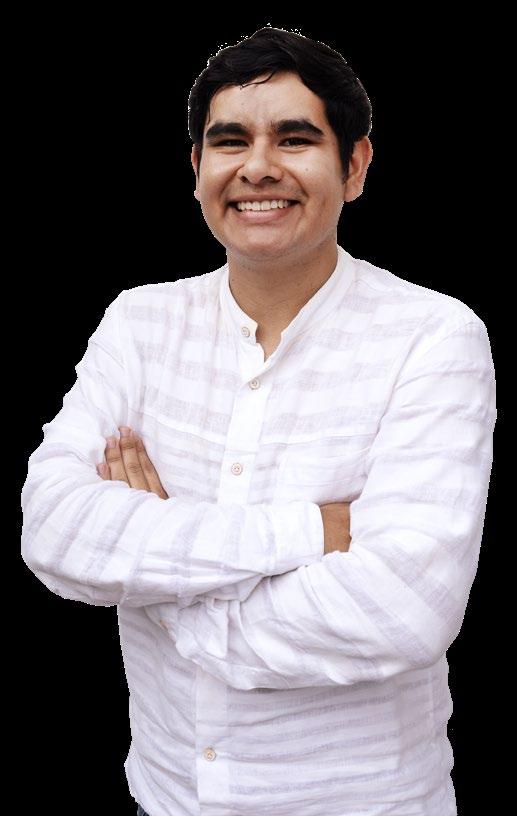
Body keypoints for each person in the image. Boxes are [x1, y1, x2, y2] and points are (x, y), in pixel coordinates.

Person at [21, 26, 496, 816]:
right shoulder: (139, 323)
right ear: (197, 169)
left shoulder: (432, 336)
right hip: (167, 797)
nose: (257, 167)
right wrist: (312, 530)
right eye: (230, 141)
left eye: (295, 139)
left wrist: (158, 577)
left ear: (354, 166)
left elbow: (401, 609)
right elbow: (52, 528)